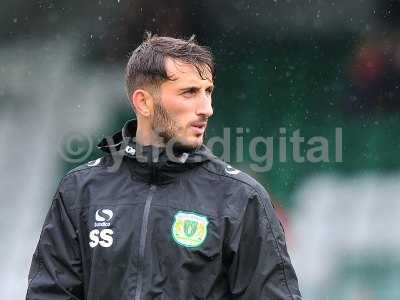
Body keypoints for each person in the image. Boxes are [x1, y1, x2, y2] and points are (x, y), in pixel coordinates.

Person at [26, 34, 302, 300]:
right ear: (143, 102)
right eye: (189, 93)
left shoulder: (241, 198)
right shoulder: (80, 190)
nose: (206, 108)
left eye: (208, 92)